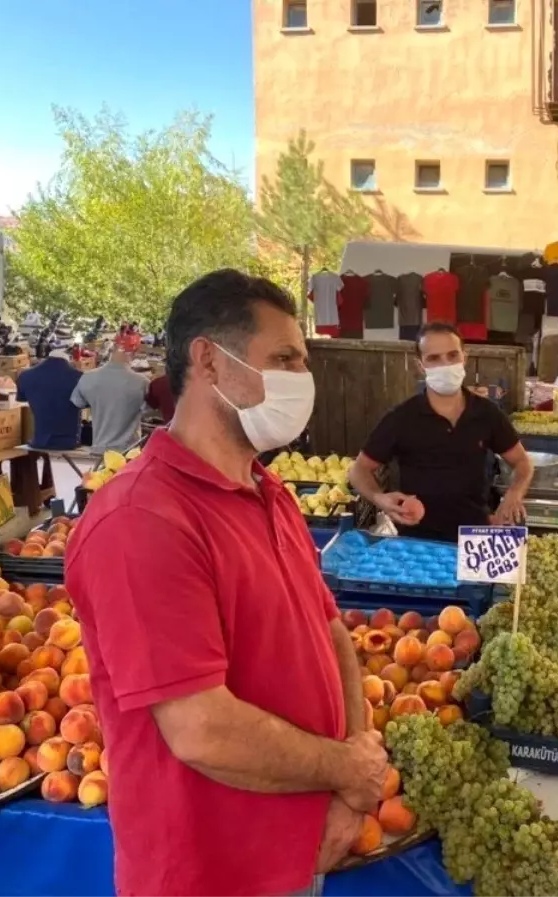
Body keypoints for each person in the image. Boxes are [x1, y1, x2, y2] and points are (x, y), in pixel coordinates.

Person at [64, 270, 388, 897]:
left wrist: (352, 782)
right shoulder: (141, 521)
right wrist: (346, 768)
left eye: (303, 361)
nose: (302, 379)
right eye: (285, 359)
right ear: (209, 360)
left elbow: (330, 634)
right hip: (208, 876)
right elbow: (200, 727)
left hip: (295, 858)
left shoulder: (272, 496)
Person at [349, 322, 534, 542]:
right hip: (416, 539)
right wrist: (378, 497)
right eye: (434, 358)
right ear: (420, 365)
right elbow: (359, 470)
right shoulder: (401, 418)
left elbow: (522, 462)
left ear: (464, 358)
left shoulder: (487, 414)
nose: (445, 364)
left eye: (452, 355)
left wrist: (514, 494)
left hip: (474, 537)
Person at [71, 345, 148, 455]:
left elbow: (78, 402)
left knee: (97, 472)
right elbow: (148, 410)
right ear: (131, 355)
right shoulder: (142, 382)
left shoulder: (87, 378)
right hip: (129, 450)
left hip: (99, 447)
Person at [16, 348, 83, 451]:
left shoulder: (25, 375)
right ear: (67, 359)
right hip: (69, 441)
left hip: (39, 440)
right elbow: (87, 403)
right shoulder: (78, 376)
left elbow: (22, 399)